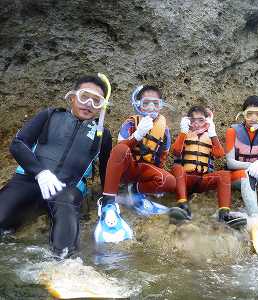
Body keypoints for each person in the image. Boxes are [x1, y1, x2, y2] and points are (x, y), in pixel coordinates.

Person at [0, 75, 113, 258]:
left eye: (96, 100)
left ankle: (63, 261)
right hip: (29, 180)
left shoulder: (103, 135)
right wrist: (40, 172)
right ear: (72, 97)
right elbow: (18, 144)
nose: (89, 103)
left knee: (66, 206)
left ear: (102, 106)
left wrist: (110, 201)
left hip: (66, 190)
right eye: (85, 96)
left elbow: (107, 171)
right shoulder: (50, 115)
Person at [99, 85, 176, 237]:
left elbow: (162, 157)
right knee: (121, 150)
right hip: (127, 168)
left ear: (161, 105)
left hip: (145, 170)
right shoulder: (131, 123)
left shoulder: (164, 130)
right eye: (146, 103)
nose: (151, 107)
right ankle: (108, 202)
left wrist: (157, 184)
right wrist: (138, 134)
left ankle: (135, 191)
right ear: (138, 104)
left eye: (156, 103)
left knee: (170, 181)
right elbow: (119, 150)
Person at [171, 106, 246, 228]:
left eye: (201, 120)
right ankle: (182, 206)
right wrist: (183, 132)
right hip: (185, 179)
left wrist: (213, 134)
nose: (197, 124)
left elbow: (219, 155)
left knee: (224, 174)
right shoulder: (185, 134)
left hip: (203, 180)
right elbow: (176, 151)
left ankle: (224, 214)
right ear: (188, 121)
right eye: (193, 120)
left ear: (206, 121)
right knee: (177, 167)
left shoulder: (209, 137)